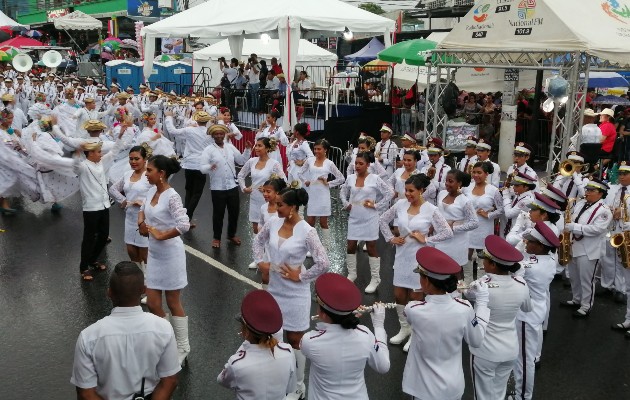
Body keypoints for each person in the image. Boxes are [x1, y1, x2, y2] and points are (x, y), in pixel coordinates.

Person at [252, 187, 330, 400]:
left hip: (296, 293)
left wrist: (301, 276)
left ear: (293, 207)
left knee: (295, 339)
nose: (275, 208)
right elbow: (258, 240)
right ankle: (278, 380)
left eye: (280, 205)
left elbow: (323, 262)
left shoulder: (307, 231)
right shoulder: (273, 223)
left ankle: (298, 385)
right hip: (275, 289)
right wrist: (261, 261)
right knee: (273, 338)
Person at [70, 262, 180, 400]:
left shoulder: (88, 337)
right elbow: (170, 380)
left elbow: (85, 393)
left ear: (109, 292)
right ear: (143, 290)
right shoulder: (163, 328)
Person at [403, 247, 491, 400]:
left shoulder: (413, 309)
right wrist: (482, 302)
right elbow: (476, 340)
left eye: (421, 277)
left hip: (423, 389)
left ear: (427, 282)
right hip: (453, 387)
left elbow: (417, 311)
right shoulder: (464, 308)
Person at [379, 174, 453, 351]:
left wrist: (426, 239)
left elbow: (447, 232)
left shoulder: (431, 209)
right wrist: (391, 238)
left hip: (420, 258)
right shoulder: (400, 205)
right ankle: (404, 328)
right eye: (406, 190)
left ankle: (415, 332)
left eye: (411, 191)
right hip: (402, 256)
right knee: (398, 295)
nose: (407, 194)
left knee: (416, 297)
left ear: (422, 191)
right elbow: (382, 219)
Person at [301, 273, 390, 399]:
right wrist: (379, 325)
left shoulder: (309, 341)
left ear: (324, 314)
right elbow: (383, 366)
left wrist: (347, 317)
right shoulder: (365, 335)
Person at [138, 155, 192, 366]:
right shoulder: (151, 190)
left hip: (171, 255)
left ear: (161, 174)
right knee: (152, 302)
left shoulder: (172, 196)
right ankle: (169, 338)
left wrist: (161, 235)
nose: (146, 173)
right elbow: (143, 209)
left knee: (172, 302)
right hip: (155, 255)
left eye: (149, 170)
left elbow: (184, 225)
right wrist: (141, 222)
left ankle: (183, 346)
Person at [465, 235, 532, 400]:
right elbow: (527, 308)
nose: (483, 263)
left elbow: (468, 293)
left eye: (485, 260)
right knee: (499, 393)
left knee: (482, 396)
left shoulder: (483, 284)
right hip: (510, 348)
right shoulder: (521, 284)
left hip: (485, 350)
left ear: (493, 265)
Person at [218, 290, 297, 398]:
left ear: (246, 332)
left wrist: (245, 345)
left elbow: (222, 380)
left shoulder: (237, 364)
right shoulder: (287, 351)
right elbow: (290, 388)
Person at [513, 222, 560, 400]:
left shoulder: (531, 267)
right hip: (536, 310)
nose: (526, 243)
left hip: (527, 315)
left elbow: (515, 273)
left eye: (530, 241)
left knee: (524, 361)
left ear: (540, 246)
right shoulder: (547, 259)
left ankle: (523, 396)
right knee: (526, 358)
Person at [73, 122, 126, 281]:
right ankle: (84, 267)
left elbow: (115, 151)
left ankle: (93, 259)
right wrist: (78, 151)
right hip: (90, 208)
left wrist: (122, 135)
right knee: (89, 238)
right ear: (90, 153)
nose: (101, 154)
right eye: (98, 152)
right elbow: (75, 165)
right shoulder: (82, 166)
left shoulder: (102, 163)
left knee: (103, 236)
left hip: (104, 205)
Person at [341, 152, 394, 293]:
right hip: (354, 216)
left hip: (370, 217)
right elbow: (342, 191)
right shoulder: (351, 178)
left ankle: (375, 278)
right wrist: (346, 203)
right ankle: (352, 273)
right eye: (356, 163)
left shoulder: (375, 178)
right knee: (351, 245)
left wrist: (376, 205)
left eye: (360, 163)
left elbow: (390, 193)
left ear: (368, 165)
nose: (357, 166)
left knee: (371, 247)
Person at [559, 178, 612, 317]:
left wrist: (574, 227)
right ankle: (576, 299)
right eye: (587, 189)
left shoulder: (604, 210)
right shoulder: (580, 203)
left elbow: (597, 229)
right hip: (574, 245)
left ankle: (586, 306)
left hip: (589, 250)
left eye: (591, 190)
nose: (587, 192)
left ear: (600, 194)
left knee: (586, 280)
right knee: (574, 277)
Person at [199, 124, 251, 248]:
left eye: (221, 133)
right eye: (216, 134)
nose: (219, 136)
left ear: (224, 135)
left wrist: (247, 149)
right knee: (218, 214)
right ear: (212, 136)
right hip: (218, 188)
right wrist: (209, 167)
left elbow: (241, 160)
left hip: (232, 186)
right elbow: (202, 168)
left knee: (234, 212)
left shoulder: (230, 147)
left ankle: (231, 234)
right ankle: (216, 238)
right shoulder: (208, 150)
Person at [238, 137, 286, 267]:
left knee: (272, 229)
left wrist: (269, 188)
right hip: (254, 199)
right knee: (257, 229)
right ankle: (259, 257)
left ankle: (275, 257)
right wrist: (244, 188)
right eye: (256, 145)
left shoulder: (274, 163)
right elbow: (241, 175)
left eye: (259, 146)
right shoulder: (252, 161)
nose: (256, 148)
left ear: (267, 148)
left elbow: (283, 182)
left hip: (270, 202)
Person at [164, 110, 214, 227]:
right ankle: (186, 218)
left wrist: (168, 117)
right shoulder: (209, 132)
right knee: (196, 193)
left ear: (196, 120)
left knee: (189, 190)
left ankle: (186, 216)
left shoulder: (190, 130)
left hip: (190, 163)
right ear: (206, 121)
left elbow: (172, 131)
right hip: (201, 164)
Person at [109, 145, 153, 267]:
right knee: (132, 252)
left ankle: (149, 282)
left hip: (145, 220)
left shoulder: (149, 176)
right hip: (129, 219)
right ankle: (139, 280)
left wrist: (144, 203)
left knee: (145, 255)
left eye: (136, 159)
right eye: (131, 159)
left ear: (144, 159)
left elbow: (160, 195)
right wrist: (124, 200)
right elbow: (113, 189)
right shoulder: (128, 174)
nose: (133, 162)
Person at [464, 161, 504, 279]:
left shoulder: (493, 190)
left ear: (486, 174)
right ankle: (468, 281)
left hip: (484, 229)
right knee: (466, 256)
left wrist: (489, 215)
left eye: (479, 173)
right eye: (474, 172)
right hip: (468, 228)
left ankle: (483, 282)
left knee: (484, 258)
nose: (476, 175)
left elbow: (501, 209)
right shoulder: (467, 188)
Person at [300, 138, 344, 240]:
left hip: (323, 195)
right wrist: (305, 181)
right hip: (312, 194)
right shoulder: (309, 160)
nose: (316, 151)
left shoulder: (329, 163)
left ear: (325, 150)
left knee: (323, 222)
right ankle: (311, 245)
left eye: (319, 149)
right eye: (315, 149)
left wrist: (328, 183)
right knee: (310, 221)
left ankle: (326, 245)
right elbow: (300, 172)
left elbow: (341, 178)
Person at [435, 170, 479, 269]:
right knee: (440, 266)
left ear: (459, 183)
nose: (447, 184)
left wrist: (454, 227)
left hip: (456, 241)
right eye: (446, 181)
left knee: (455, 268)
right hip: (441, 238)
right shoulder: (442, 194)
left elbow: (475, 223)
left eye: (450, 181)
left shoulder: (465, 201)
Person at [602, 162, 630, 303]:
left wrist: (623, 211)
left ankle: (621, 289)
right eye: (620, 173)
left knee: (621, 260)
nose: (622, 176)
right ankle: (607, 285)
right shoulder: (612, 189)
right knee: (607, 257)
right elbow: (604, 204)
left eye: (625, 174)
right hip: (611, 227)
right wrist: (611, 210)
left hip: (625, 229)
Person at [256, 177, 287, 280]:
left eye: (268, 191)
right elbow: (260, 222)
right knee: (265, 275)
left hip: (280, 246)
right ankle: (265, 294)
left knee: (280, 274)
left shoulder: (283, 209)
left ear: (277, 192)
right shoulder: (263, 207)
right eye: (263, 191)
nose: (265, 194)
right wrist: (260, 230)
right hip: (267, 247)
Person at [502, 172, 536, 238]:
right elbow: (510, 190)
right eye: (514, 185)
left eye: (517, 186)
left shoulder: (527, 200)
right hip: (512, 228)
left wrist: (506, 196)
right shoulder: (521, 194)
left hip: (519, 232)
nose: (514, 188)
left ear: (526, 187)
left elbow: (509, 214)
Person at [420, 139, 451, 204]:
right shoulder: (424, 168)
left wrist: (431, 181)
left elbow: (447, 187)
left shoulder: (446, 169)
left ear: (440, 155)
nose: (432, 158)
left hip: (439, 202)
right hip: (425, 202)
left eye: (434, 155)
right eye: (430, 155)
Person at [285, 122, 314, 188]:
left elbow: (311, 156)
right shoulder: (295, 141)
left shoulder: (304, 143)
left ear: (297, 132)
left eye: (294, 130)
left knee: (297, 187)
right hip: (292, 168)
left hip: (299, 170)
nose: (293, 132)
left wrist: (302, 162)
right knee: (290, 187)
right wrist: (291, 141)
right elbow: (288, 153)